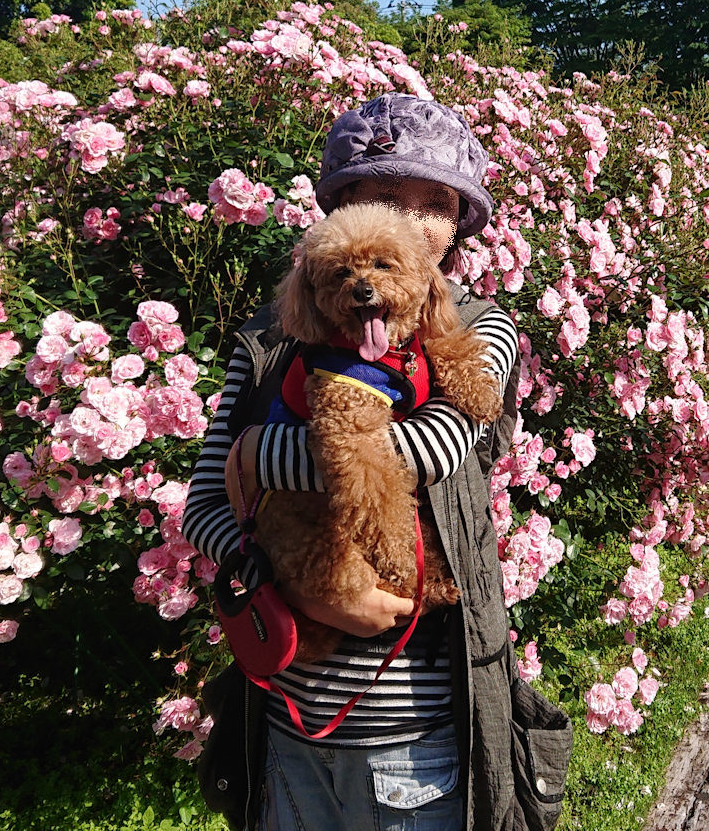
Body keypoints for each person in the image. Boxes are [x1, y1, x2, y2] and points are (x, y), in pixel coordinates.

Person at [183, 94, 564, 831]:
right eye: (389, 196)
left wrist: (263, 451)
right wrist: (305, 591)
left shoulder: (478, 326)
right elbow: (204, 505)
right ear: (343, 208)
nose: (417, 221)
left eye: (436, 204)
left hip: (419, 730)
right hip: (286, 719)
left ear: (457, 225)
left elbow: (434, 450)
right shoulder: (267, 341)